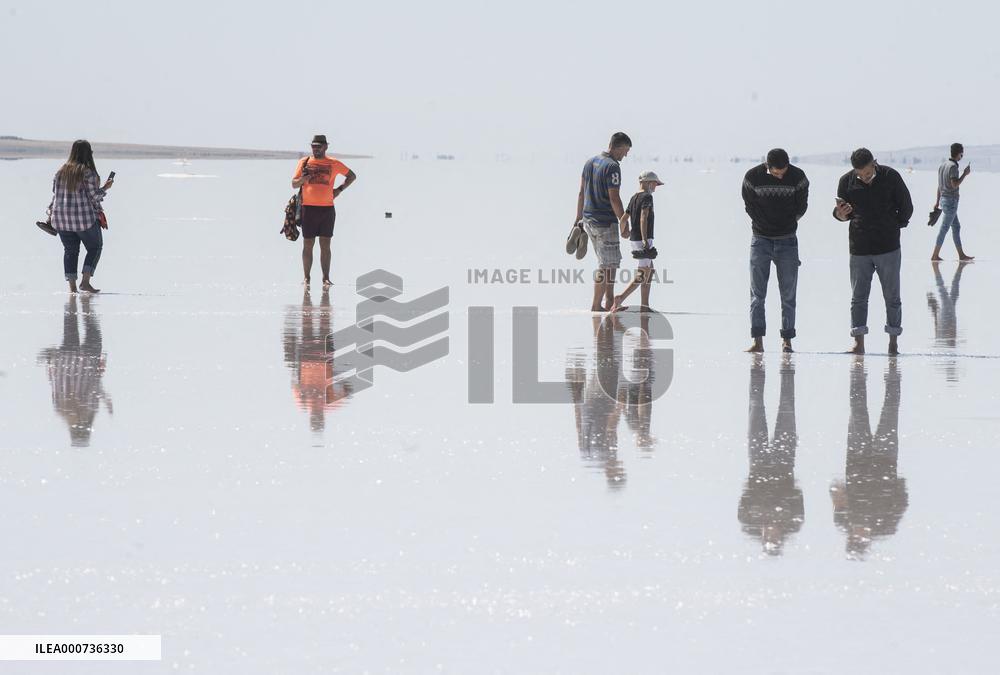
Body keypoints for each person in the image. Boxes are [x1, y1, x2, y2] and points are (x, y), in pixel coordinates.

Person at [833, 148, 913, 356]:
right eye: (859, 174)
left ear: (874, 163)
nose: (863, 177)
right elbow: (841, 213)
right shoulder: (846, 181)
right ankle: (858, 344)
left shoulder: (890, 176)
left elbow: (906, 206)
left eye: (867, 173)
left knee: (892, 297)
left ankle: (893, 343)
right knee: (858, 297)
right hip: (859, 247)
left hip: (888, 247)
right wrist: (840, 215)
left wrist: (895, 225)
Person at [741, 149, 809, 353]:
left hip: (787, 240)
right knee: (757, 294)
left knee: (788, 293)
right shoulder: (752, 177)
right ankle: (757, 340)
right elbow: (749, 205)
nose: (781, 175)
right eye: (776, 172)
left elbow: (802, 206)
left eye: (784, 171)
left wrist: (786, 223)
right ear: (767, 167)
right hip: (760, 240)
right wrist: (764, 223)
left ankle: (787, 340)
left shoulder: (798, 177)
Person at [572, 132, 631, 311]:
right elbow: (614, 198)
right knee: (606, 266)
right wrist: (623, 221)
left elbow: (581, 192)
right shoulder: (613, 166)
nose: (626, 155)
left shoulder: (590, 162)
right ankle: (596, 305)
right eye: (626, 150)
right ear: (618, 147)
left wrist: (577, 220)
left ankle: (609, 302)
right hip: (605, 221)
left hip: (588, 219)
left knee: (609, 263)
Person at [47, 140, 114, 293]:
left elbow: (55, 195)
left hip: (61, 220)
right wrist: (105, 187)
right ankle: (85, 282)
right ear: (88, 153)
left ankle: (72, 288)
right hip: (83, 219)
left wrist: (50, 214)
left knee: (70, 251)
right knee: (95, 247)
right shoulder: (88, 172)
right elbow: (94, 196)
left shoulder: (60, 172)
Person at [291, 134, 357, 287]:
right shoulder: (304, 162)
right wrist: (303, 180)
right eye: (313, 146)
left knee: (325, 245)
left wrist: (339, 189)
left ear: (326, 147)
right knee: (308, 244)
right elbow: (294, 184)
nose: (316, 149)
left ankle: (325, 278)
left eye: (319, 146)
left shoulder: (333, 163)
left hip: (327, 210)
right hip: (308, 209)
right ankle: (306, 278)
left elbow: (352, 176)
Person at [611, 170, 664, 313]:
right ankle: (620, 298)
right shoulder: (647, 197)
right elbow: (643, 217)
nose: (655, 187)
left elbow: (623, 218)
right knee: (643, 274)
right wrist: (645, 240)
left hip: (635, 238)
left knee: (649, 271)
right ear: (647, 183)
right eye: (655, 184)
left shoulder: (634, 197)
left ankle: (644, 305)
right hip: (643, 239)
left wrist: (624, 232)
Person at [931, 143, 974, 262]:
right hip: (951, 202)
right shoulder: (953, 167)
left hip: (944, 200)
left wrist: (937, 201)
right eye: (962, 153)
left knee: (956, 226)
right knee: (944, 228)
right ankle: (935, 254)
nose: (962, 156)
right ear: (959, 153)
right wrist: (965, 174)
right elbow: (954, 185)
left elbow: (939, 186)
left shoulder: (943, 165)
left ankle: (961, 255)